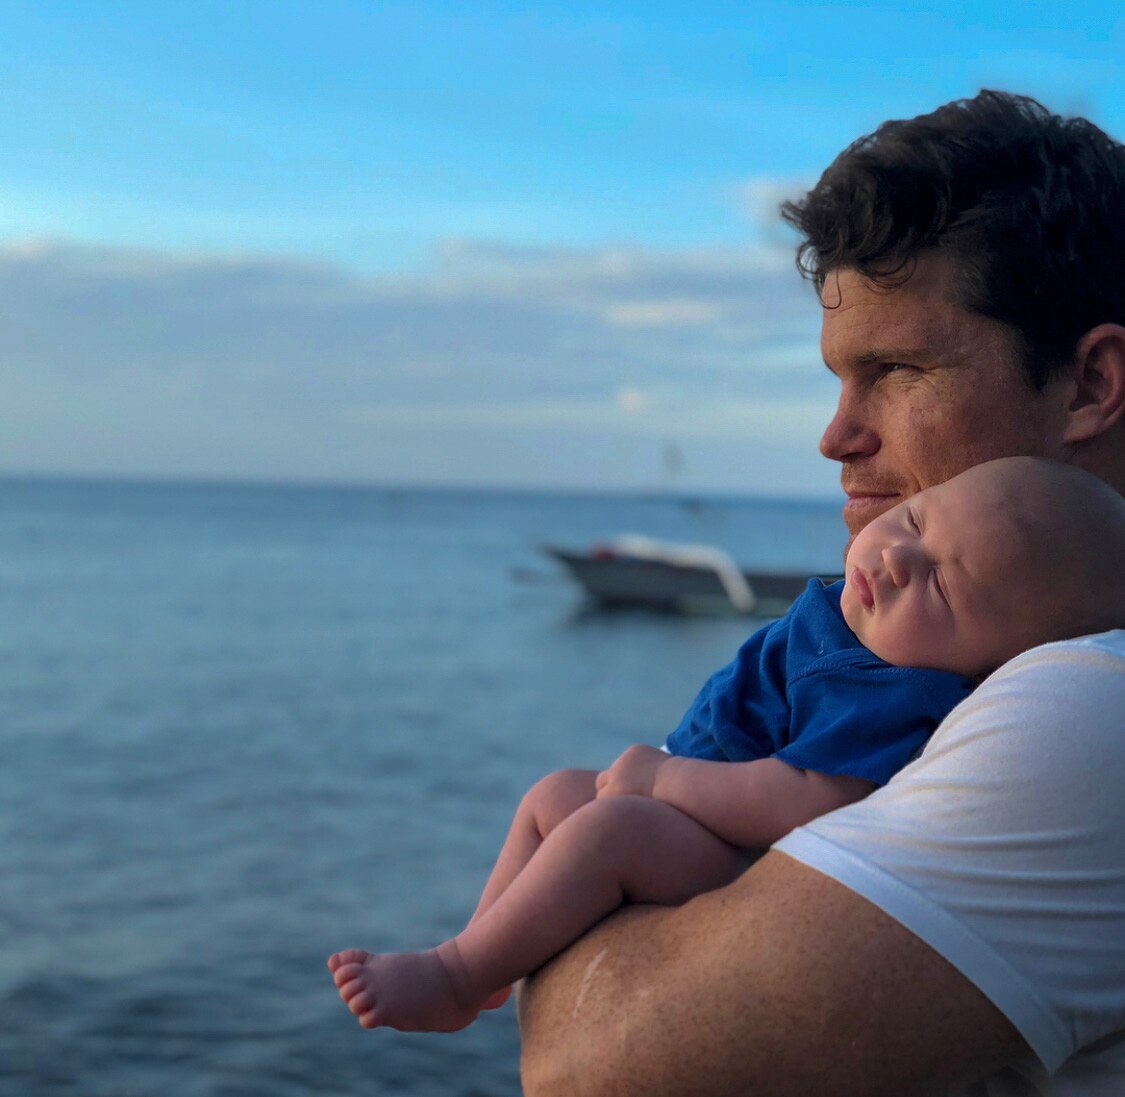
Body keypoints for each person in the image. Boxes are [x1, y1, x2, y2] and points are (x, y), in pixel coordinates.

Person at [517, 90, 1125, 1097]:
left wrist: (609, 870)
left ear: (1092, 383)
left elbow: (593, 1063)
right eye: (840, 379)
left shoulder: (1089, 704)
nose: (836, 436)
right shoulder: (941, 668)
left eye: (896, 369)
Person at [328, 456, 1124, 1037]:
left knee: (608, 831)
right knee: (550, 797)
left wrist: (664, 778)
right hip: (698, 804)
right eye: (914, 520)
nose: (894, 556)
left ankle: (456, 975)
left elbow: (807, 796)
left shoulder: (900, 690)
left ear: (987, 661)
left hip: (742, 859)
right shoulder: (857, 622)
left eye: (942, 587)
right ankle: (487, 952)